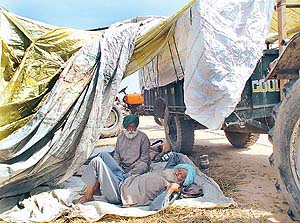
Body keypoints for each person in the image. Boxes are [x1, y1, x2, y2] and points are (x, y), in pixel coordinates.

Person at [73, 152, 196, 211]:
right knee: (103, 155)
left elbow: (155, 207)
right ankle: (95, 188)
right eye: (180, 170)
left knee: (96, 162)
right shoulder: (167, 172)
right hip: (125, 178)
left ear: (182, 182)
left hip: (119, 192)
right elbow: (175, 156)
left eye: (181, 176)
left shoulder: (170, 187)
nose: (178, 173)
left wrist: (171, 190)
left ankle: (88, 196)